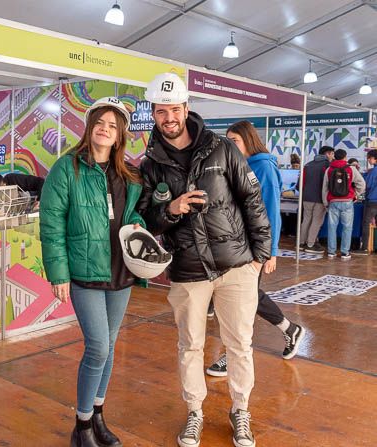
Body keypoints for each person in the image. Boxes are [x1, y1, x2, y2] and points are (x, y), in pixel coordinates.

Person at [137, 73, 271, 447]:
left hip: (237, 266)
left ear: (186, 108)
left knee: (239, 344)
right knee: (190, 345)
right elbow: (146, 220)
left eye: (174, 109)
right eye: (161, 111)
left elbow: (252, 200)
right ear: (153, 113)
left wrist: (259, 257)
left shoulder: (220, 148)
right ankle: (194, 411)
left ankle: (240, 410)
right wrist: (171, 209)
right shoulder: (150, 164)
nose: (169, 117)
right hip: (188, 269)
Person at [40, 96, 145, 447]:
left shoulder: (128, 175)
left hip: (120, 271)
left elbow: (134, 219)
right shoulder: (66, 168)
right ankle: (81, 425)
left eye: (113, 126)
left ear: (119, 136)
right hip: (84, 272)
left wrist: (144, 232)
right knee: (97, 346)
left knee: (111, 346)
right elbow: (51, 223)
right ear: (90, 127)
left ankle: (98, 415)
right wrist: (58, 274)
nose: (105, 129)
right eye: (100, 122)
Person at [205, 121, 307, 377]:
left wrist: (271, 251)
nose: (230, 145)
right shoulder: (236, 165)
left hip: (253, 245)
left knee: (242, 299)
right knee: (245, 296)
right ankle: (289, 329)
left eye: (235, 140)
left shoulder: (263, 166)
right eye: (227, 140)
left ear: (248, 141)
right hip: (233, 243)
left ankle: (234, 354)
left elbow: (271, 208)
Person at [322, 148, 365, 260]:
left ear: (335, 156)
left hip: (333, 201)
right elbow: (362, 184)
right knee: (347, 227)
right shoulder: (351, 169)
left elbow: (325, 188)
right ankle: (345, 253)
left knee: (332, 227)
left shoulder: (329, 169)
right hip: (347, 202)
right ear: (345, 157)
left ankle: (331, 252)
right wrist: (355, 195)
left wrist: (326, 202)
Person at [299, 146, 335, 253]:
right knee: (316, 221)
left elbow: (300, 183)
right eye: (332, 154)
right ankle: (310, 244)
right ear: (327, 154)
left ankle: (301, 243)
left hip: (306, 197)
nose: (333, 156)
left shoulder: (308, 165)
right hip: (320, 198)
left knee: (306, 220)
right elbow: (328, 184)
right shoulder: (327, 166)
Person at [354, 149, 377, 254]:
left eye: (369, 158)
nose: (368, 160)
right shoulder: (372, 171)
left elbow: (366, 185)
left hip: (372, 201)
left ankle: (364, 248)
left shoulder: (374, 171)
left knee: (366, 223)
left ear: (374, 159)